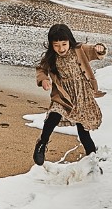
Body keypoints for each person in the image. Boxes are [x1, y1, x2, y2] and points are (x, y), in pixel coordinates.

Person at [32, 23, 107, 166]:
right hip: (63, 95)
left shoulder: (79, 50)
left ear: (69, 41)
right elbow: (41, 69)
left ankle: (92, 159)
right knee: (53, 116)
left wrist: (100, 48)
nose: (61, 49)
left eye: (64, 44)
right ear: (51, 45)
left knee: (83, 131)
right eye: (56, 45)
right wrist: (44, 80)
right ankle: (42, 144)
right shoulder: (51, 57)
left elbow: (95, 50)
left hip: (82, 96)